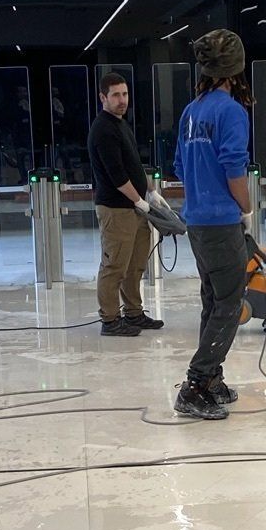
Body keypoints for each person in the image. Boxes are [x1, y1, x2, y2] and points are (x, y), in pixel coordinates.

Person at [172, 28, 252, 421]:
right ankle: (195, 384)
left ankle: (212, 379)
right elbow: (234, 168)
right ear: (235, 69)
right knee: (229, 305)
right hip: (221, 222)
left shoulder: (192, 111)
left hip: (197, 222)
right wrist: (247, 208)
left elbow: (179, 167)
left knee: (213, 300)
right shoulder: (231, 112)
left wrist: (203, 190)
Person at [87, 71, 161, 338]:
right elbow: (117, 175)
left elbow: (133, 165)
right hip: (116, 209)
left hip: (134, 208)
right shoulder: (103, 130)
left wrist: (150, 192)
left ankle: (133, 312)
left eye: (125, 94)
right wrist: (138, 200)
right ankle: (110, 320)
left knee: (135, 264)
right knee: (115, 265)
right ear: (103, 97)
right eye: (116, 95)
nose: (122, 100)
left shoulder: (121, 124)